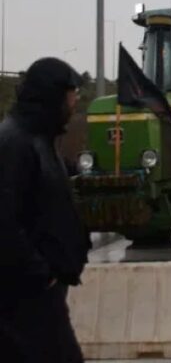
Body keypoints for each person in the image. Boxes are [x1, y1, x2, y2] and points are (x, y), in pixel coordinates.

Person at [0, 58, 89, 362]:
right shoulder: (15, 143)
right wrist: (41, 273)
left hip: (42, 294)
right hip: (24, 296)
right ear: (53, 95)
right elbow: (5, 222)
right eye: (72, 92)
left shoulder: (41, 139)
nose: (76, 100)